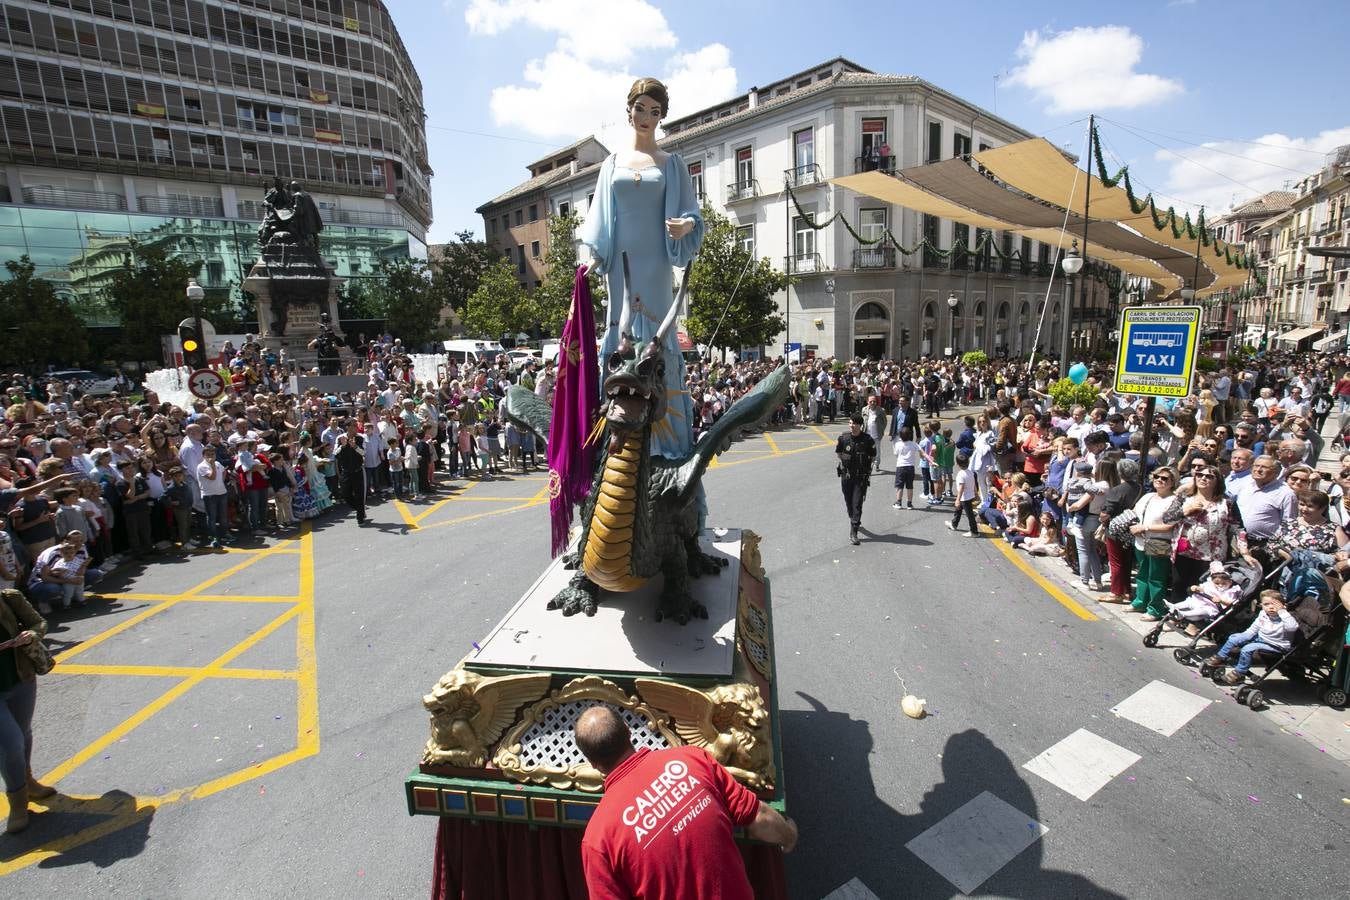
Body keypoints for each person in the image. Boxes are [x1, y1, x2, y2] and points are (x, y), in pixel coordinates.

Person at [573, 705, 796, 900]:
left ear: (593, 763)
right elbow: (758, 817)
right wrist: (789, 834)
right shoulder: (691, 759)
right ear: (628, 731)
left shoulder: (598, 839)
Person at [0, 587, 55, 834]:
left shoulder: (9, 598)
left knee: (24, 734)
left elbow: (38, 622)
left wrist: (31, 634)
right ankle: (18, 804)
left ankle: (28, 781)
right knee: (10, 744)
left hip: (21, 678)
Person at [1204, 589, 1299, 685]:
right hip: (1261, 639)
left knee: (1247, 649)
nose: (1270, 607)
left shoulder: (1286, 617)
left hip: (1277, 645)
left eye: (1274, 604)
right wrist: (1241, 637)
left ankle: (1240, 672)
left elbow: (1292, 627)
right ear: (1261, 605)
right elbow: (1252, 630)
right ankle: (1220, 657)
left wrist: (1282, 611)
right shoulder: (1263, 614)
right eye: (1266, 604)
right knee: (1234, 637)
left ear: (1283, 605)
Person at [1129, 465, 1179, 620]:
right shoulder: (1148, 496)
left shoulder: (1174, 500)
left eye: (1164, 478)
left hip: (1159, 542)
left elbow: (1170, 525)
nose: (1159, 480)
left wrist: (1145, 527)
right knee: (1142, 573)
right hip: (1141, 540)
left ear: (1172, 482)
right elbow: (1134, 513)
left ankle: (1155, 609)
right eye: (1157, 477)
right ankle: (1139, 601)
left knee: (1156, 577)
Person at [836, 414, 875, 546]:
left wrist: (868, 469)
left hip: (860, 477)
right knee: (849, 502)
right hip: (846, 476)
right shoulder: (844, 438)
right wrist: (843, 461)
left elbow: (873, 456)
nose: (851, 425)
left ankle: (854, 531)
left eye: (854, 423)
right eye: (850, 423)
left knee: (857, 503)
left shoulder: (868, 440)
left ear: (860, 425)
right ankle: (853, 517)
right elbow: (838, 452)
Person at [196, 445, 229, 550]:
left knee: (223, 516)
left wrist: (221, 482)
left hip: (221, 493)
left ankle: (224, 534)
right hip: (209, 495)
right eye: (208, 455)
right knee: (212, 517)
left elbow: (224, 472)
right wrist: (212, 465)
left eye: (213, 454)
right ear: (203, 456)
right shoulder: (202, 467)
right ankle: (213, 537)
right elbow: (212, 477)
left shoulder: (218, 463)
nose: (211, 456)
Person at [336, 421, 367, 525]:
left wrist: (355, 447)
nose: (356, 428)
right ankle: (360, 510)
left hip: (357, 471)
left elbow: (364, 452)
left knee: (359, 495)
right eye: (353, 426)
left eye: (356, 426)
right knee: (346, 495)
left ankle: (360, 517)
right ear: (347, 427)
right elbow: (335, 453)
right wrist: (343, 446)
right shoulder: (340, 438)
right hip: (346, 472)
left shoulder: (360, 438)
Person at [946, 451, 980, 537]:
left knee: (970, 515)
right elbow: (974, 484)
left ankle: (974, 531)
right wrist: (976, 493)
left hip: (965, 497)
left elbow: (961, 488)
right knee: (958, 510)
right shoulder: (970, 472)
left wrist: (957, 499)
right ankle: (954, 524)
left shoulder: (961, 474)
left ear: (957, 464)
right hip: (969, 495)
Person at [891, 426, 919, 509]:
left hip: (901, 467)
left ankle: (898, 502)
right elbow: (919, 450)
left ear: (900, 436)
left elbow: (895, 454)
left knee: (899, 486)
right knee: (910, 486)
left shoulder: (898, 444)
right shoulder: (913, 444)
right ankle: (909, 503)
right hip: (910, 467)